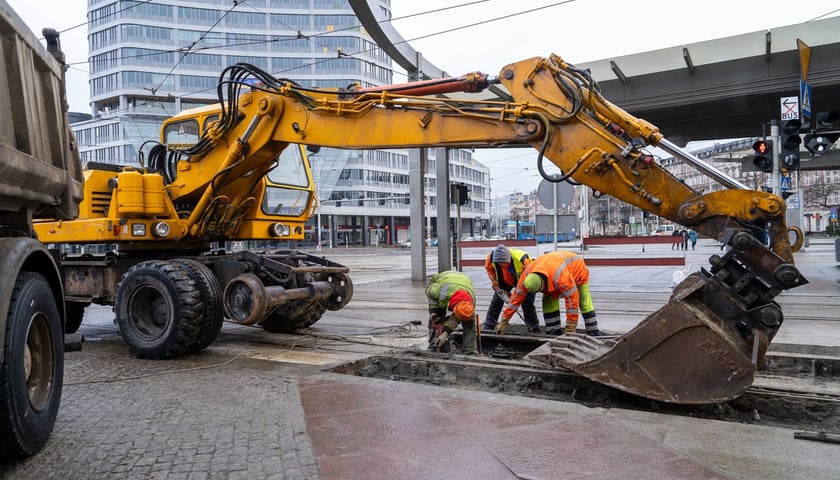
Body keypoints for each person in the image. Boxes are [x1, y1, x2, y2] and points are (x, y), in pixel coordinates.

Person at [497, 251, 601, 336]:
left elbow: (572, 302)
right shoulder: (526, 277)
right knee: (548, 301)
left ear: (543, 284)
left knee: (583, 302)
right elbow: (515, 300)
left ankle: (594, 333)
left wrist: (570, 327)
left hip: (577, 270)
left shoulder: (561, 278)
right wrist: (504, 320)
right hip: (552, 268)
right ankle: (553, 333)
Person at [481, 244, 540, 334]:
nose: (501, 265)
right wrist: (494, 281)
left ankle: (533, 328)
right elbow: (489, 269)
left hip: (525, 280)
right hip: (504, 280)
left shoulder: (522, 259)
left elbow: (530, 274)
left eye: (503, 262)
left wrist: (515, 298)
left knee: (527, 303)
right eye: (499, 263)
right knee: (496, 301)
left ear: (509, 259)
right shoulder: (491, 258)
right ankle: (489, 326)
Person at [425, 270, 478, 354]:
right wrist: (434, 309)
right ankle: (433, 345)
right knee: (436, 318)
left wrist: (445, 333)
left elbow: (455, 318)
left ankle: (470, 352)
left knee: (469, 321)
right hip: (441, 281)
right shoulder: (440, 292)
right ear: (454, 308)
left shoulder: (471, 302)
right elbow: (429, 291)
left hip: (463, 281)